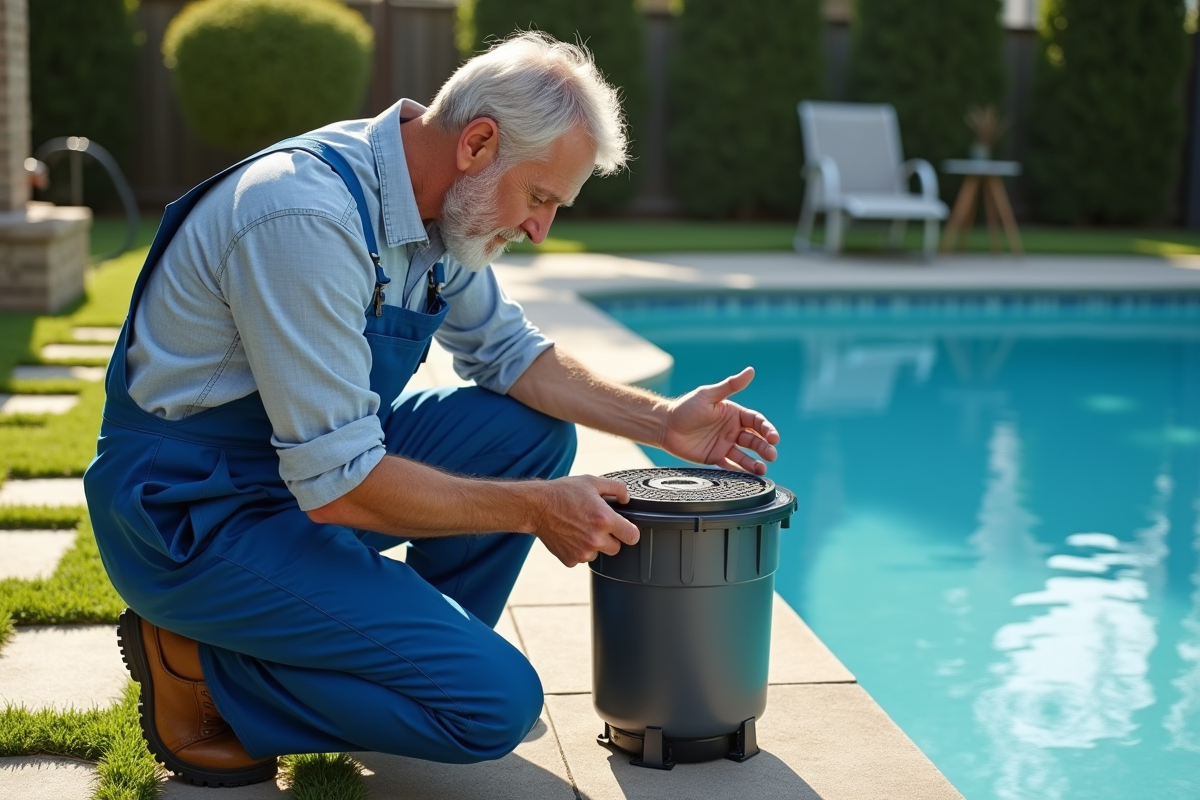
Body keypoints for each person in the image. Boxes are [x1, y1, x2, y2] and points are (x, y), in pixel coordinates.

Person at [84, 32, 780, 787]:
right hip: (194, 515)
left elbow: (512, 356)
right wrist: (536, 512)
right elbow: (340, 487)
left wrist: (660, 422)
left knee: (527, 433)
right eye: (540, 198)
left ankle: (395, 659)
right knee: (493, 708)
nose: (541, 228)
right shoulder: (304, 219)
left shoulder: (438, 206)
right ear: (478, 143)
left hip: (295, 481)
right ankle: (202, 667)